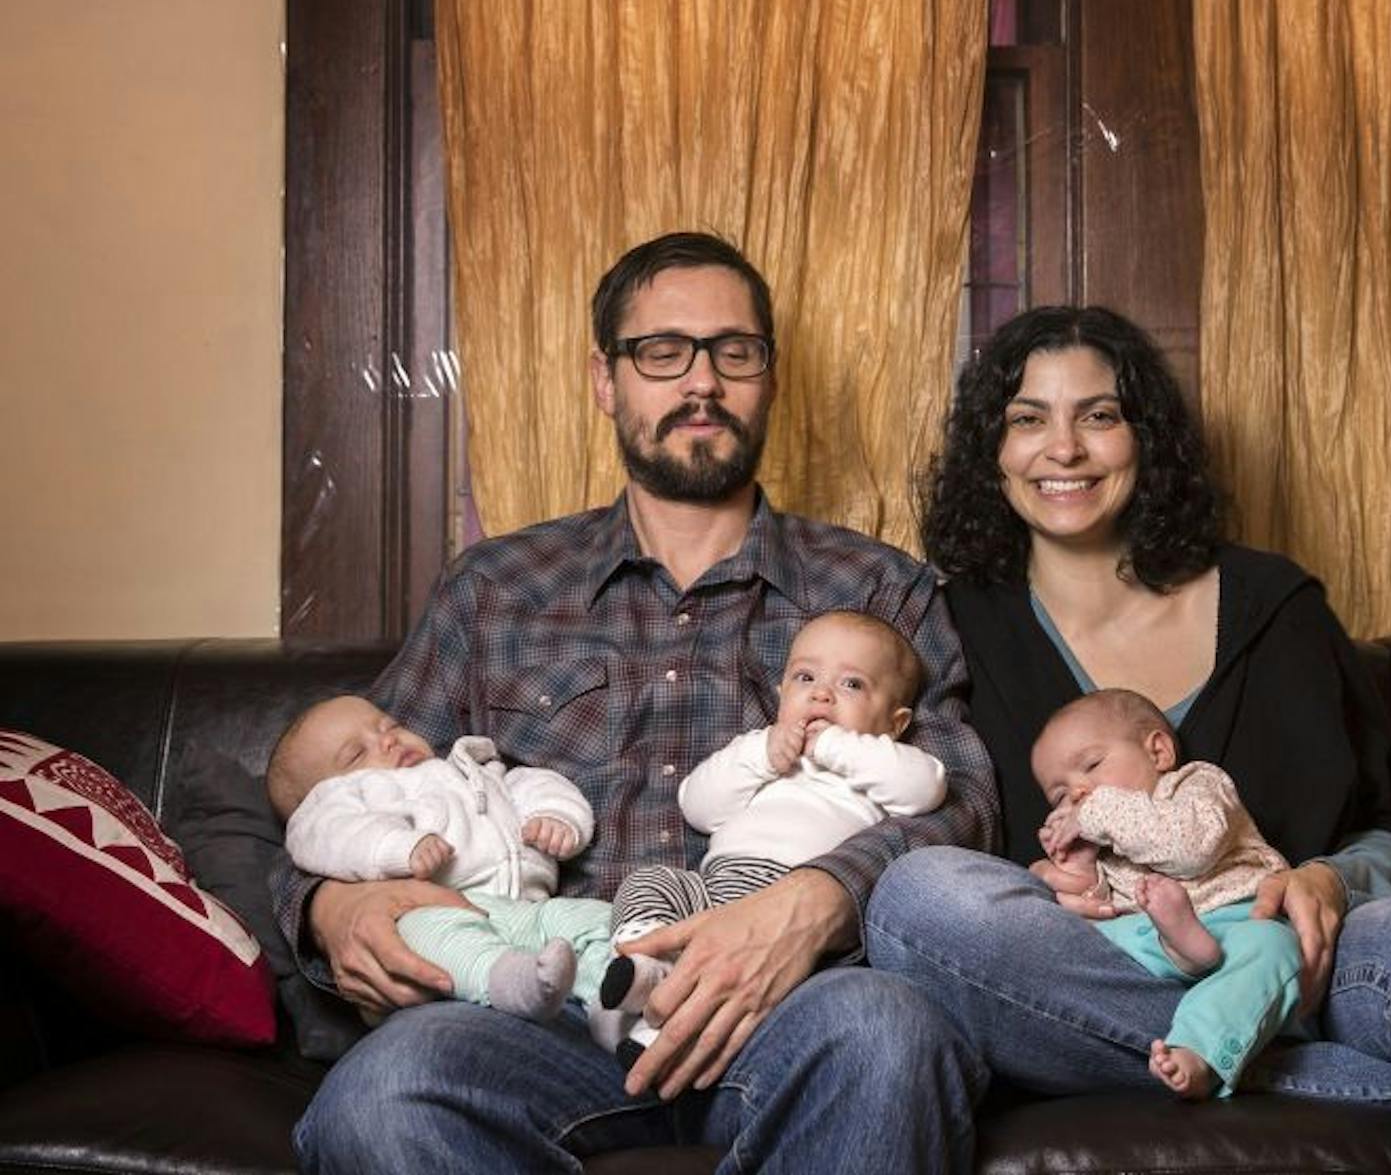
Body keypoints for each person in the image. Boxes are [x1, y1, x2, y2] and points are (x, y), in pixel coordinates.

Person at [273, 231, 996, 1173]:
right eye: (662, 351)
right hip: (549, 1012)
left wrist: (814, 903)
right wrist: (329, 909)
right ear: (605, 381)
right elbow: (338, 784)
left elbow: (969, 803)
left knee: (892, 1036)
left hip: (796, 1004)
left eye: (734, 351)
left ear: (769, 378)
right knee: (381, 1094)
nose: (701, 382)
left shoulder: (878, 586)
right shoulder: (497, 586)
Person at [867, 305, 1391, 1175]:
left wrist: (1331, 877)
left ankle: (1305, 1045)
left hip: (1303, 962)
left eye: (1099, 414)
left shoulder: (1274, 604)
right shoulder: (951, 623)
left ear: (1148, 438)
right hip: (1081, 972)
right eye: (1028, 419)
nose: (1064, 449)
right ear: (995, 451)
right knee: (920, 896)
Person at [600, 609, 948, 1049]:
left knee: (786, 989)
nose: (822, 694)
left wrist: (836, 746)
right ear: (781, 693)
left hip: (788, 902)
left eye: (852, 684)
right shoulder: (759, 750)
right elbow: (698, 805)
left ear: (896, 723)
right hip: (713, 890)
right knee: (648, 882)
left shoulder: (878, 762)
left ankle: (656, 1034)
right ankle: (646, 967)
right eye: (805, 678)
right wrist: (761, 755)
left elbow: (925, 789)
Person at [269, 695, 617, 1026]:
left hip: (527, 912)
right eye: (356, 754)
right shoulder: (344, 801)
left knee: (590, 918)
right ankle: (507, 983)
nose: (388, 741)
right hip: (435, 912)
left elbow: (529, 783)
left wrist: (556, 816)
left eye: (390, 727)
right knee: (436, 935)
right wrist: (398, 846)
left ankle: (614, 996)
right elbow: (329, 834)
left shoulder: (468, 770)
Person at [1030, 689, 1302, 1100]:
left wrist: (1098, 814)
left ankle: (1199, 1051)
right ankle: (1183, 951)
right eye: (1061, 795)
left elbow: (1192, 850)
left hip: (1236, 920)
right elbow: (1096, 907)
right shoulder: (1100, 839)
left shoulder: (1196, 785)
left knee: (1275, 945)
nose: (1080, 793)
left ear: (1157, 751)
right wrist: (1077, 865)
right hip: (1149, 942)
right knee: (1076, 939)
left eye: (1092, 765)